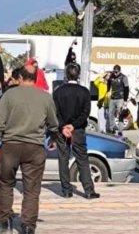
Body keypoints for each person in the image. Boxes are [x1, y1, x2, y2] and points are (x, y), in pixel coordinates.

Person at [0, 66, 59, 234]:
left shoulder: (9, 95)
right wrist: (54, 138)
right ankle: (28, 225)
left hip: (10, 146)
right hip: (34, 147)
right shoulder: (45, 97)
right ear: (35, 78)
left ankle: (5, 221)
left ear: (20, 77)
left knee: (6, 183)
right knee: (32, 189)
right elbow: (53, 123)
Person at [53, 62, 100, 199]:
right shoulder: (84, 92)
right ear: (78, 75)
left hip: (62, 130)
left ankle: (66, 190)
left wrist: (63, 127)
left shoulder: (58, 91)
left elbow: (55, 112)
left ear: (66, 75)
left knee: (63, 158)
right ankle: (89, 190)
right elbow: (86, 113)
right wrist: (73, 126)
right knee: (82, 159)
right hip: (78, 129)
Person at [106, 65, 129, 135]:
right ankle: (112, 128)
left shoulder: (124, 77)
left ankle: (120, 131)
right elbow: (109, 84)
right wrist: (108, 90)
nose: (115, 73)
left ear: (119, 71)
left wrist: (125, 100)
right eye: (114, 71)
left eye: (116, 72)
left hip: (120, 98)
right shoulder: (111, 76)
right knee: (110, 114)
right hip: (112, 98)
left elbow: (126, 89)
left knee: (120, 114)